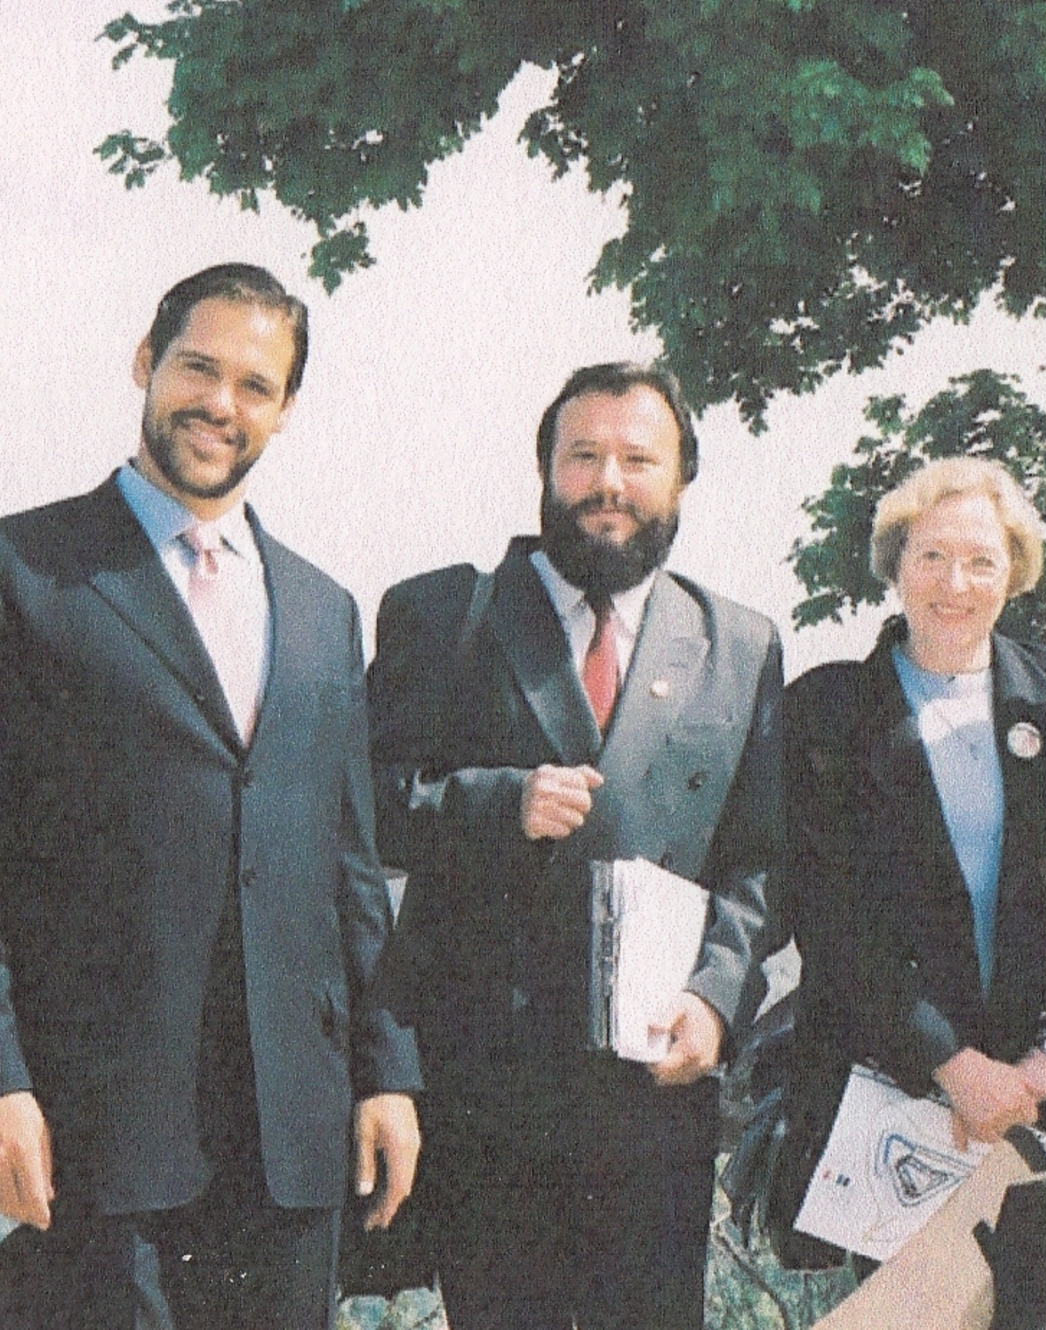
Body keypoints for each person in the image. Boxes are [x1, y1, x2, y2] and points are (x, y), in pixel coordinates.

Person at [0, 263, 421, 1328]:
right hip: (94, 1131)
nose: (219, 404)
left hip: (293, 1137)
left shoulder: (323, 610)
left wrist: (387, 1072)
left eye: (255, 385)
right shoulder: (8, 573)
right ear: (145, 361)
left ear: (285, 409)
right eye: (197, 368)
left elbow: (350, 871)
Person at [367, 361, 783, 1330]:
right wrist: (494, 803)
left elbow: (762, 861)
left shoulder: (740, 643)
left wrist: (717, 998)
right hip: (483, 1103)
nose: (608, 482)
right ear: (545, 470)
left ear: (681, 478)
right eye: (583, 456)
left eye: (638, 459)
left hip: (654, 1099)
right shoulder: (444, 615)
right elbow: (356, 813)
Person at [775, 457, 1046, 1278]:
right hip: (894, 1095)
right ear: (895, 565)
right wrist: (952, 1065)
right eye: (931, 557)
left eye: (981, 561)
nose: (955, 583)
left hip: (1043, 1103)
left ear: (1014, 574)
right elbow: (828, 916)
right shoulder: (825, 712)